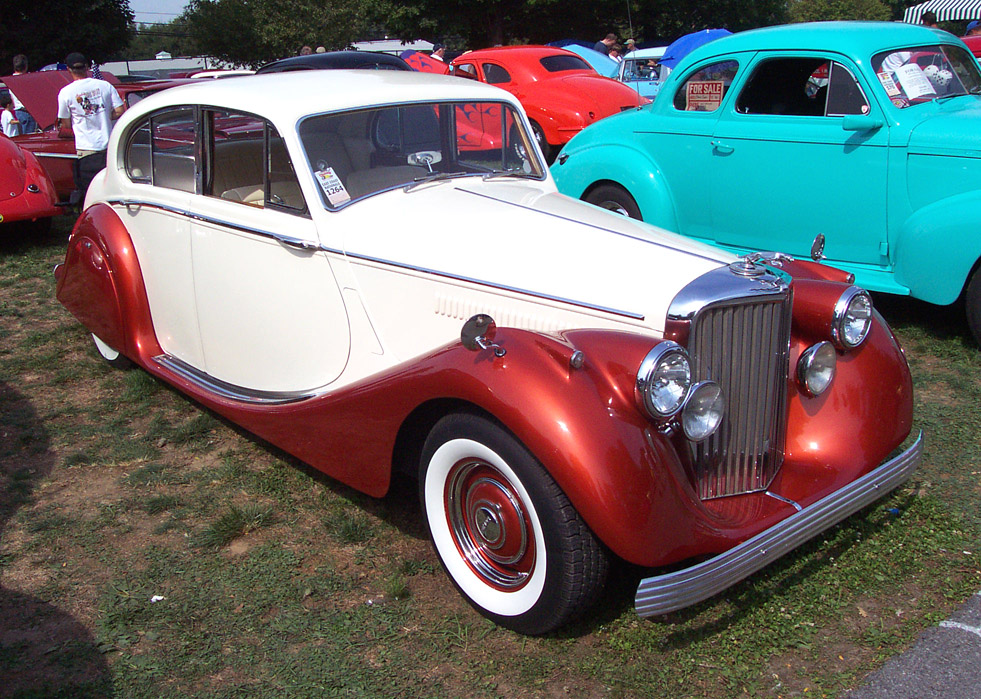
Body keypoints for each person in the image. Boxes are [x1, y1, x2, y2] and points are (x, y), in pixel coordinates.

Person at [56, 52, 125, 199]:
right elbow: (120, 110)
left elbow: (66, 123)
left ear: (68, 69)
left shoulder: (65, 93)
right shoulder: (105, 85)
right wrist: (105, 115)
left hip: (86, 148)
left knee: (91, 191)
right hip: (109, 146)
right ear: (86, 67)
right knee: (112, 187)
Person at [9, 54, 38, 134]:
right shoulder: (26, 80)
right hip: (26, 111)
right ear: (25, 66)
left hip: (18, 111)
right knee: (30, 137)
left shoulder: (11, 80)